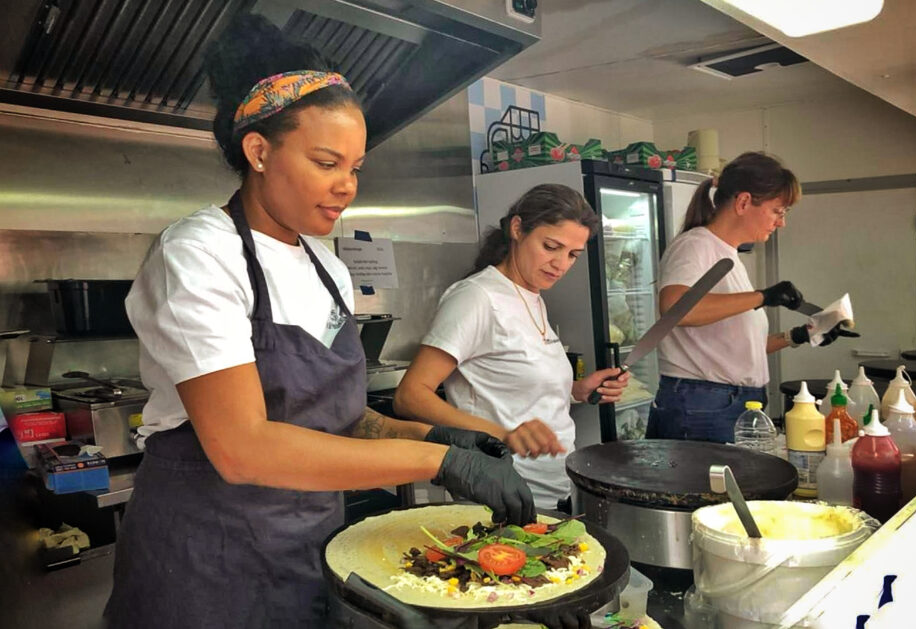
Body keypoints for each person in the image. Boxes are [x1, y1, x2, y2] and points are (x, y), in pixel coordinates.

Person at [103, 15, 535, 629]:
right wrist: (438, 466)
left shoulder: (325, 266)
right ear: (258, 150)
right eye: (327, 162)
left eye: (356, 167)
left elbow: (336, 417)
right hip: (206, 558)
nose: (346, 187)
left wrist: (434, 438)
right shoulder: (199, 253)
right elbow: (243, 448)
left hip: (311, 546)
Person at [394, 184, 630, 510]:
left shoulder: (531, 295)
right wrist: (503, 433)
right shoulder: (478, 297)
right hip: (504, 491)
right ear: (518, 229)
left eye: (573, 254)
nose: (561, 264)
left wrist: (577, 390)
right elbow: (410, 395)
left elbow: (512, 385)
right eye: (551, 246)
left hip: (555, 485)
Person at [645, 152, 857, 443]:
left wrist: (799, 335)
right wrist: (762, 297)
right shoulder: (695, 246)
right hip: (702, 406)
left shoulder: (727, 255)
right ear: (744, 202)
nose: (781, 223)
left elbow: (733, 349)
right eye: (777, 211)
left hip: (726, 403)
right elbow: (675, 310)